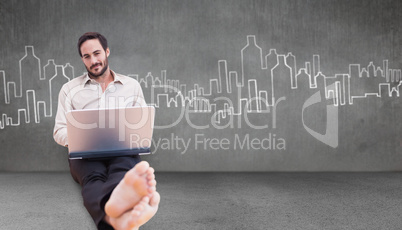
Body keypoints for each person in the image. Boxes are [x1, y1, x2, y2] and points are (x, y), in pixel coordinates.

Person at [53, 32, 160, 230]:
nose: (93, 61)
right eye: (87, 56)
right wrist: (79, 139)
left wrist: (133, 137)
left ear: (107, 51)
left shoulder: (132, 86)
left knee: (122, 172)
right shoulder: (69, 89)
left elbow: (142, 125)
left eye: (97, 53)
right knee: (92, 178)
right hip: (84, 155)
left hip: (123, 150)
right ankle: (118, 213)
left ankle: (112, 218)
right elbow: (59, 130)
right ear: (82, 59)